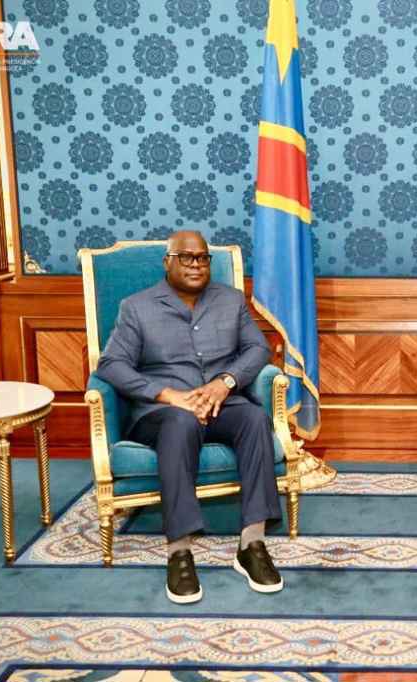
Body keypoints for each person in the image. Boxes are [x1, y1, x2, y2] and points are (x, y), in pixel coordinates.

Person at [97, 230, 283, 603]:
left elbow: (257, 348)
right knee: (180, 422)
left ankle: (252, 544)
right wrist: (168, 395)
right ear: (167, 262)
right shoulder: (137, 307)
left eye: (202, 258)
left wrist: (225, 383)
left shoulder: (230, 300)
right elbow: (111, 364)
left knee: (254, 418)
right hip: (162, 411)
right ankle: (179, 551)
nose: (196, 265)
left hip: (220, 403)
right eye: (186, 257)